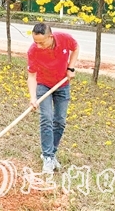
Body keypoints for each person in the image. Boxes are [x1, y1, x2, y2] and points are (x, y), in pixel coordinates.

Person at [27, 22, 79, 174]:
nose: (38, 45)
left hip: (62, 85)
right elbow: (31, 76)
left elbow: (75, 48)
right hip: (43, 85)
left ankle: (51, 152)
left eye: (41, 42)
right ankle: (48, 157)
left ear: (50, 37)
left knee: (60, 120)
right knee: (47, 118)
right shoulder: (33, 51)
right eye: (35, 42)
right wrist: (33, 97)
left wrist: (70, 68)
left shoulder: (64, 38)